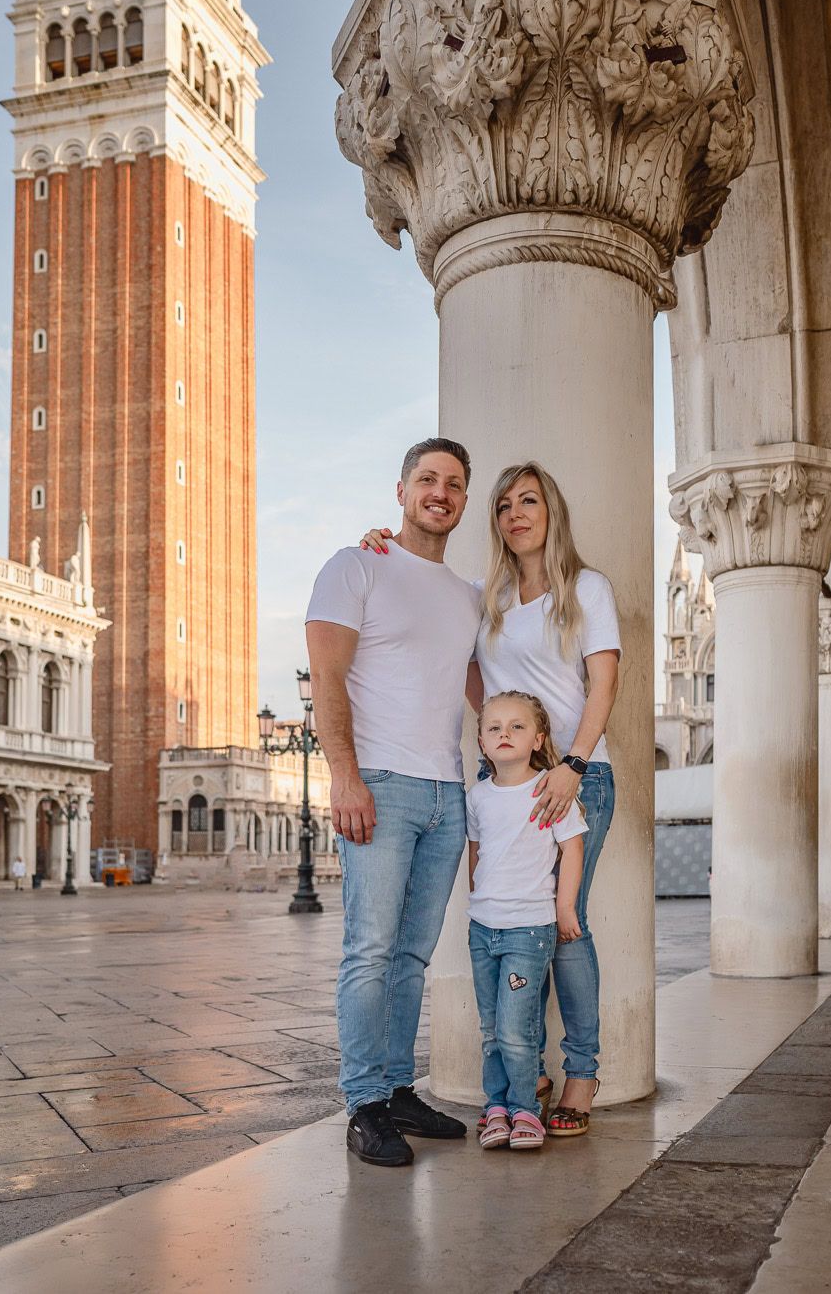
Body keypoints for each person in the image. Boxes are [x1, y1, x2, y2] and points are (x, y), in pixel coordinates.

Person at [362, 460, 619, 1135]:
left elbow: (603, 686)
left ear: (550, 511)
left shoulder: (588, 588)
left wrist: (570, 762)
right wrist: (499, 738)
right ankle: (522, 1067)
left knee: (564, 926)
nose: (515, 513)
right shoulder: (486, 596)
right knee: (504, 924)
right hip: (503, 785)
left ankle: (582, 1073)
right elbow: (467, 662)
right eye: (504, 504)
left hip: (575, 778)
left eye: (529, 500)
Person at [307, 439, 484, 1168]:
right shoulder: (356, 566)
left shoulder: (469, 594)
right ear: (402, 489)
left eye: (453, 483)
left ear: (463, 500)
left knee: (412, 954)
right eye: (427, 480)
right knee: (369, 950)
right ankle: (363, 1104)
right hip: (380, 785)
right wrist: (343, 775)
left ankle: (396, 1087)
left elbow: (483, 690)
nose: (439, 492)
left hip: (448, 791)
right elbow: (326, 674)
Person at [466, 692, 587, 1151]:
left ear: (538, 740)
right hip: (483, 926)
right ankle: (496, 1106)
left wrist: (565, 907)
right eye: (494, 727)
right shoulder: (477, 796)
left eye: (516, 727)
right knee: (492, 1026)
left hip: (528, 929)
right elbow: (477, 853)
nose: (504, 734)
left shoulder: (551, 790)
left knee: (518, 1029)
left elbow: (572, 848)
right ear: (481, 740)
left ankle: (525, 1110)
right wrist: (477, 897)